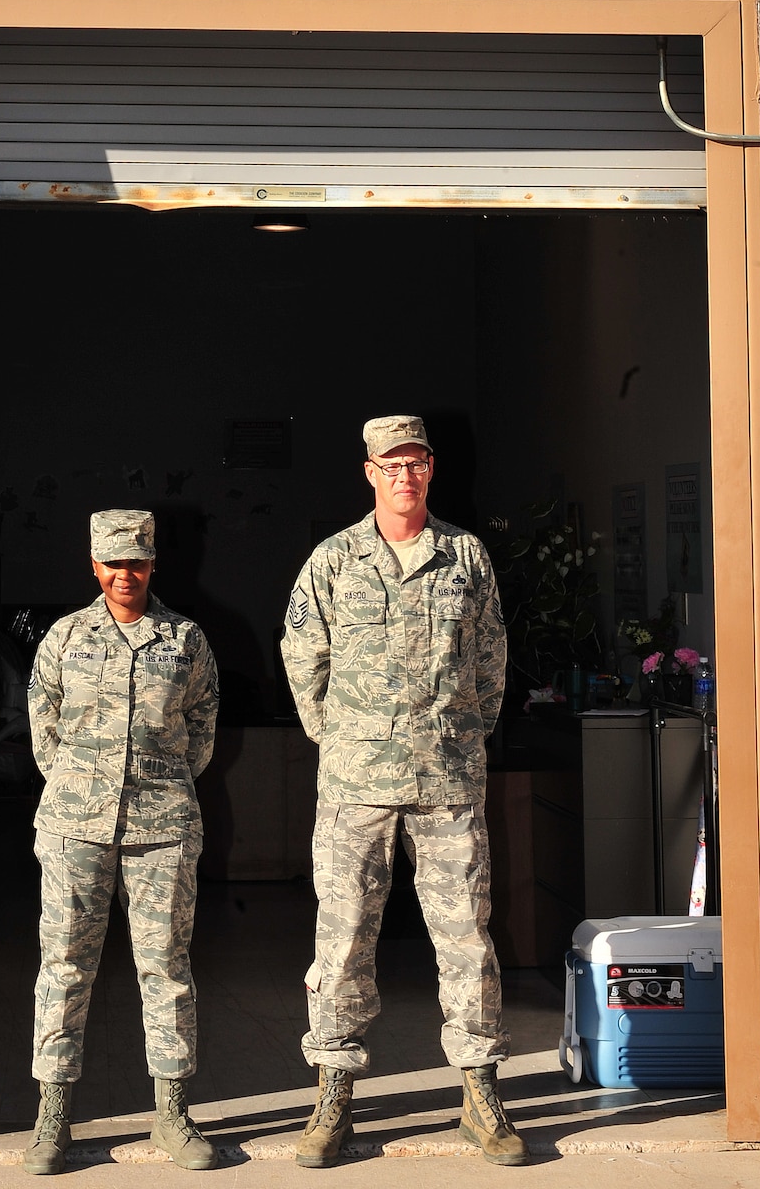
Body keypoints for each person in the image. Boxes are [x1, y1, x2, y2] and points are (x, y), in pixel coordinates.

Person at [281, 416, 526, 1168]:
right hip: (357, 784)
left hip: (448, 778)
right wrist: (345, 738)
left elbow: (490, 659)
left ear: (431, 469)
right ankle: (333, 1096)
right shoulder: (333, 559)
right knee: (343, 936)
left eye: (415, 463)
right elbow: (302, 656)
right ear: (368, 473)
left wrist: (459, 735)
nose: (404, 476)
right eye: (391, 465)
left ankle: (480, 1096)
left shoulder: (464, 556)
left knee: (464, 937)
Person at [23, 510, 220, 1174]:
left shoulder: (185, 639)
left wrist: (154, 784)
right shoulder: (64, 638)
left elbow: (201, 727)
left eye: (135, 561)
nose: (124, 574)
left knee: (165, 968)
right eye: (112, 563)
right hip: (74, 826)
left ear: (152, 562)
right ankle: (52, 1118)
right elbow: (42, 729)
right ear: (93, 565)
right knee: (64, 968)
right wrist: (85, 786)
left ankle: (171, 1115)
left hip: (161, 827)